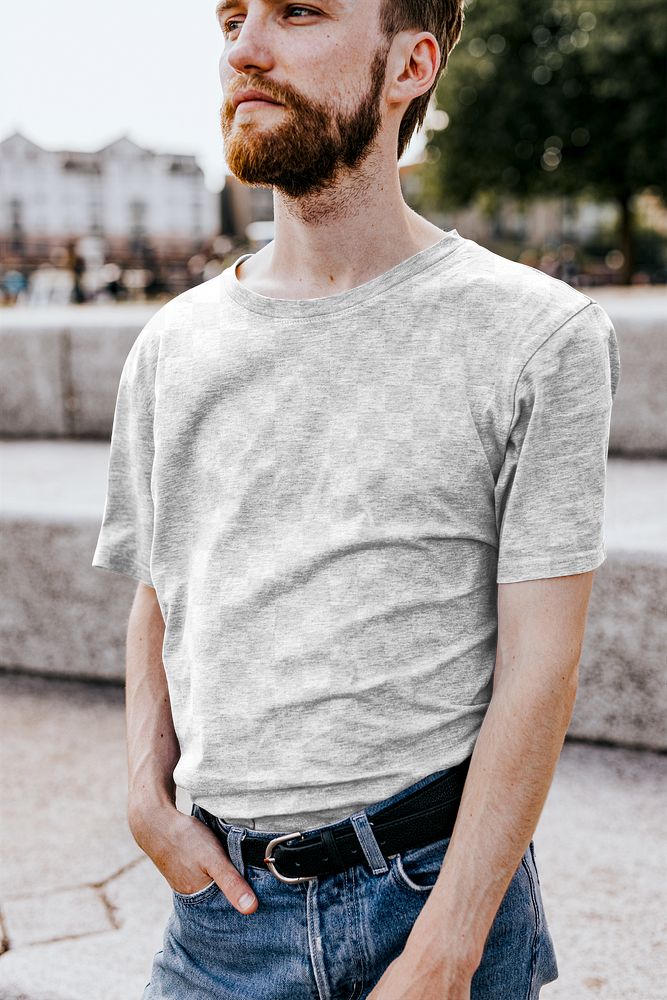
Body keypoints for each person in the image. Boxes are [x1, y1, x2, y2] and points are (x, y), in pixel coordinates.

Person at [91, 1, 621, 997]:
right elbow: (158, 593)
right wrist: (142, 794)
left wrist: (448, 947)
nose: (244, 48)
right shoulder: (172, 346)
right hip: (218, 923)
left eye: (297, 12)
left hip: (433, 895)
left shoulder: (538, 336)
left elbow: (541, 663)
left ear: (409, 63)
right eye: (233, 17)